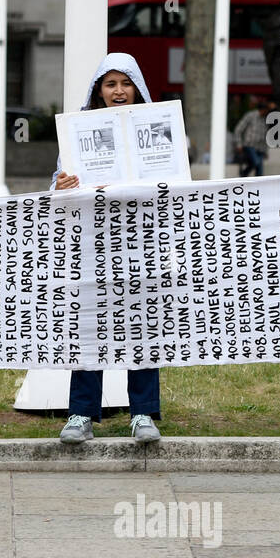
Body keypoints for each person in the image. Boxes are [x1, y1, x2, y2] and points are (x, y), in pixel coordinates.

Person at [51, 52, 162, 445]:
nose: (118, 91)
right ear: (99, 90)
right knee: (88, 326)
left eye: (125, 83)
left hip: (139, 243)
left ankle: (144, 413)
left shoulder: (158, 129)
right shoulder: (78, 132)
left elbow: (171, 184)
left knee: (142, 327)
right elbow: (58, 188)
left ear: (137, 89)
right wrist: (61, 187)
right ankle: (81, 413)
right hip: (92, 245)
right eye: (110, 84)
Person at [233, 98, 272, 177]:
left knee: (260, 170)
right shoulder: (251, 116)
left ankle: (257, 185)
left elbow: (265, 136)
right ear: (263, 109)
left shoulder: (265, 119)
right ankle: (244, 173)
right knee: (256, 162)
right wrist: (239, 144)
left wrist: (266, 151)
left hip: (260, 148)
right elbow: (238, 129)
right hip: (249, 145)